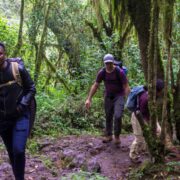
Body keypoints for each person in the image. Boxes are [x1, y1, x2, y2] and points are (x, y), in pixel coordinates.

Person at [0, 42, 36, 180]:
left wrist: (22, 105)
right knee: (11, 153)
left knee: (19, 150)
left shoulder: (17, 69)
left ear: (5, 54)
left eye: (0, 53)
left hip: (20, 116)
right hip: (3, 121)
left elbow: (31, 88)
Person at [85, 54, 130, 145]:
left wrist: (129, 99)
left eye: (110, 63)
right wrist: (89, 99)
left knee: (118, 115)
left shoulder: (119, 72)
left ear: (113, 62)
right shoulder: (102, 72)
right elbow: (95, 85)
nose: (108, 65)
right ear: (104, 63)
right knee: (108, 115)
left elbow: (126, 86)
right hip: (108, 96)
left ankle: (116, 136)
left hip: (119, 96)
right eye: (106, 63)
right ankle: (109, 135)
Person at [129, 79, 164, 162]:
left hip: (148, 116)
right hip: (138, 117)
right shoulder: (145, 98)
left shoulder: (154, 96)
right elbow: (143, 114)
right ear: (157, 90)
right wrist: (149, 124)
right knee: (139, 138)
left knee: (159, 132)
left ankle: (150, 150)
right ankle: (133, 155)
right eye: (161, 90)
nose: (162, 92)